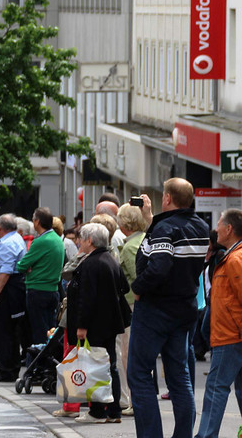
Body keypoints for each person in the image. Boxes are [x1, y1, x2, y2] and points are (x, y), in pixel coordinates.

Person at [127, 179, 210, 438]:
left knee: (139, 374)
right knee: (179, 378)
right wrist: (152, 220)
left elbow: (160, 266)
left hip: (155, 310)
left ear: (167, 198)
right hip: (184, 310)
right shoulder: (201, 227)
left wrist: (137, 287)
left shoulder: (165, 229)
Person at [65, 222, 130, 424]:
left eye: (81, 239)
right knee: (110, 366)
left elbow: (87, 298)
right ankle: (113, 411)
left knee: (94, 366)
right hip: (111, 322)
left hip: (94, 324)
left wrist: (81, 326)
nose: (78, 242)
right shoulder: (111, 259)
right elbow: (125, 287)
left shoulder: (91, 264)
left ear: (90, 241)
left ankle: (97, 411)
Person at [194, 209, 242, 438]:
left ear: (229, 229)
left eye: (219, 224)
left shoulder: (235, 259)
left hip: (231, 336)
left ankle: (205, 436)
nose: (216, 229)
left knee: (215, 389)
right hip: (231, 335)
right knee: (238, 390)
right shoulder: (232, 256)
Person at [0, 214, 27, 382]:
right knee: (9, 329)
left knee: (3, 329)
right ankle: (9, 366)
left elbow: (7, 269)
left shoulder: (8, 242)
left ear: (0, 228)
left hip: (7, 289)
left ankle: (6, 369)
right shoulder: (15, 239)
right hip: (11, 288)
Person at [16, 207, 64, 345]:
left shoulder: (40, 241)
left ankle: (40, 364)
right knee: (50, 330)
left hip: (37, 290)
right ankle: (50, 362)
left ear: (37, 222)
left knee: (39, 332)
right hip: (53, 290)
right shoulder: (57, 238)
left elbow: (21, 265)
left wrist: (29, 267)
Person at [116, 202, 147, 415]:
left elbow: (136, 280)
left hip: (131, 304)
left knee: (127, 354)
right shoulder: (144, 239)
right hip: (141, 305)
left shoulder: (129, 247)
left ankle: (130, 400)